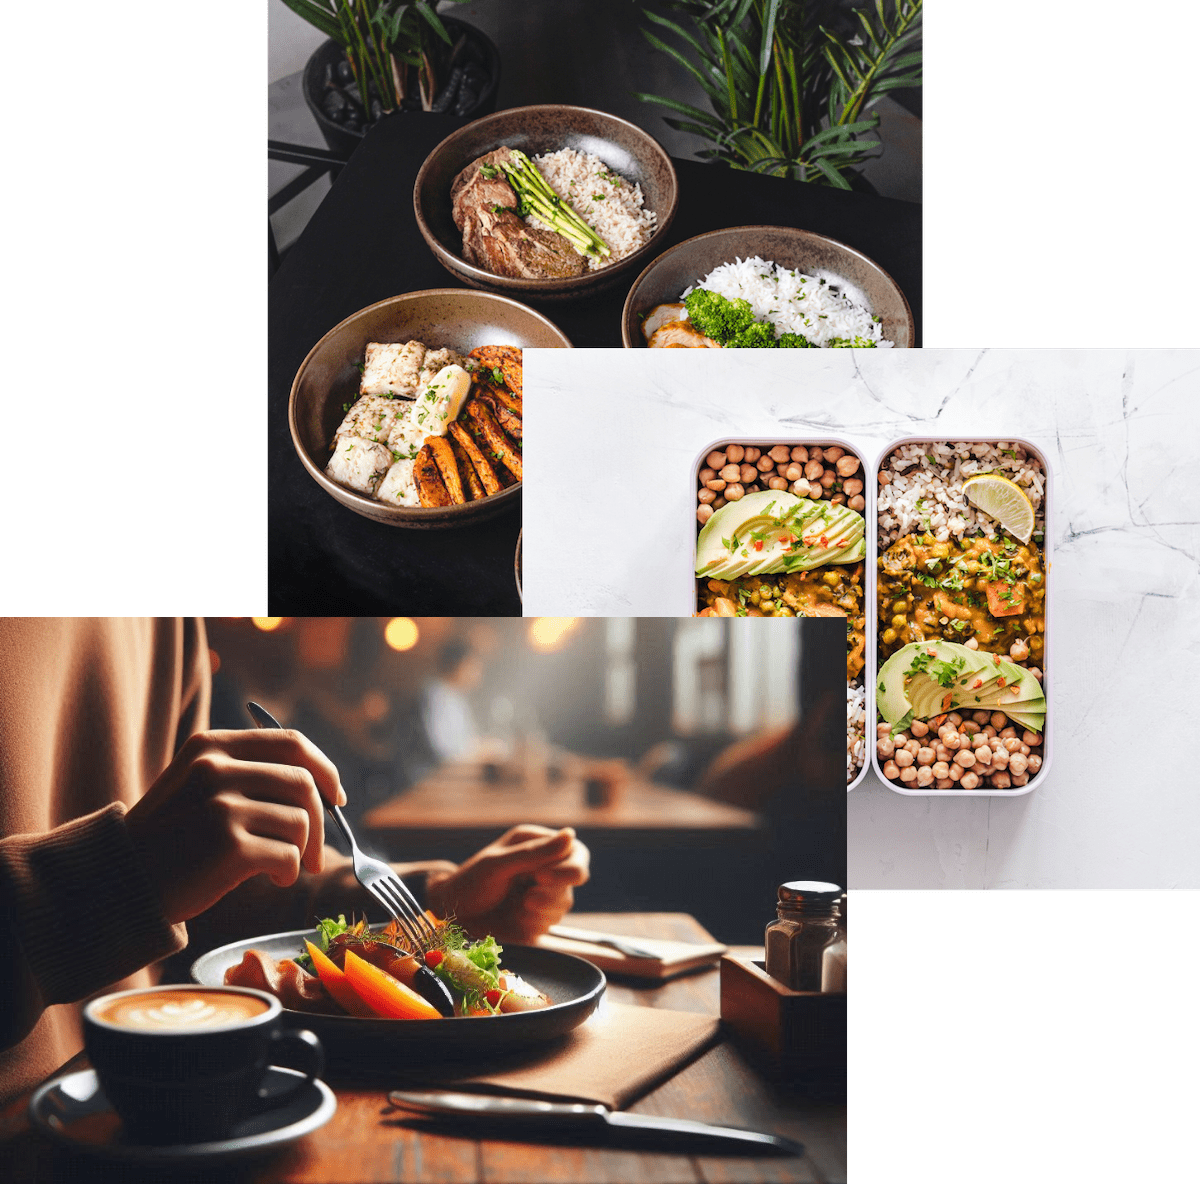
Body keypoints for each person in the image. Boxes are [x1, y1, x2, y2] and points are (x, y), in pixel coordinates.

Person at [0, 619, 589, 1105]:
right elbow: (152, 879)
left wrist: (437, 896)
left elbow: (207, 892)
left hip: (156, 1094)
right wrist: (115, 880)